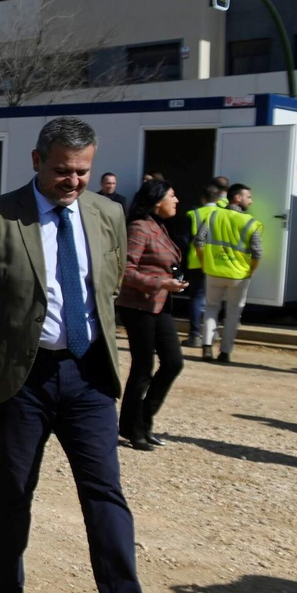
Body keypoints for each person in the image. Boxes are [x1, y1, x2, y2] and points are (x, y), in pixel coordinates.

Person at [0, 116, 187, 593]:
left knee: (105, 493)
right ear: (37, 161)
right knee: (15, 488)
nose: (74, 180)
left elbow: (107, 287)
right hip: (22, 379)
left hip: (88, 377)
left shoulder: (108, 214)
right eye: (63, 170)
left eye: (82, 171)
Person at [117, 180, 189, 451]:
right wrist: (160, 283)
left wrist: (173, 281)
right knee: (142, 369)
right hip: (139, 307)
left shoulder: (158, 225)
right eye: (172, 195)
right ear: (158, 199)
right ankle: (135, 430)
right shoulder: (139, 226)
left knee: (173, 362)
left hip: (160, 306)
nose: (177, 200)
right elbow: (125, 269)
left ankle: (142, 420)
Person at [195, 182, 261, 364]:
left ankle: (207, 346)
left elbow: (199, 241)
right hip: (239, 275)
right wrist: (251, 271)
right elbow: (257, 252)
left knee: (211, 308)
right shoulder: (250, 222)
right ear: (238, 198)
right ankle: (225, 352)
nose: (251, 201)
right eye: (249, 197)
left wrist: (204, 263)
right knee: (233, 313)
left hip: (213, 271)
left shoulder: (213, 216)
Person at [183, 184, 225, 346]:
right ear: (218, 199)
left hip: (197, 261)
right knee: (214, 300)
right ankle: (212, 333)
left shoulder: (193, 214)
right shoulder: (225, 215)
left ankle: (195, 335)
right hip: (219, 261)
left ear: (203, 198)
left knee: (197, 297)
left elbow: (185, 240)